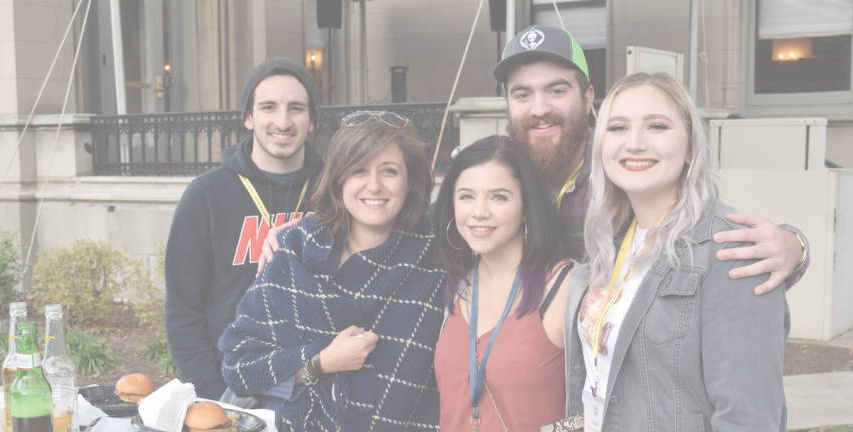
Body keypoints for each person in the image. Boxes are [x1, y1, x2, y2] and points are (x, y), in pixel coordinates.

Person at [258, 25, 810, 298]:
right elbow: (401, 230)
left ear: (588, 97)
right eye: (522, 94)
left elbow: (701, 225)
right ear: (508, 104)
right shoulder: (486, 177)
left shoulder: (624, 173)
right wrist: (306, 235)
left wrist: (793, 245)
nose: (539, 108)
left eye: (556, 90)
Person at [552, 71, 787, 432]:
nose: (634, 142)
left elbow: (748, 428)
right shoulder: (613, 244)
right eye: (618, 127)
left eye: (656, 125)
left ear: (690, 146)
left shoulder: (732, 248)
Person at [219, 111, 445, 432]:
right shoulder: (294, 251)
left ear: (410, 183)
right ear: (338, 177)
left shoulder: (439, 259)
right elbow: (238, 363)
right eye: (358, 170)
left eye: (390, 170)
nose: (374, 185)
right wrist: (319, 363)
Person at [424, 136, 578, 432]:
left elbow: (612, 406)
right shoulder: (449, 284)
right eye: (466, 196)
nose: (479, 212)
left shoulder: (567, 288)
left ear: (526, 207)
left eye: (499, 196)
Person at [165, 58, 324, 400]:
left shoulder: (337, 191)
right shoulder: (205, 196)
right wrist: (211, 394)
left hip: (319, 385)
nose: (283, 122)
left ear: (312, 119)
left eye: (296, 108)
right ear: (249, 117)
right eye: (269, 107)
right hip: (233, 390)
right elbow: (183, 311)